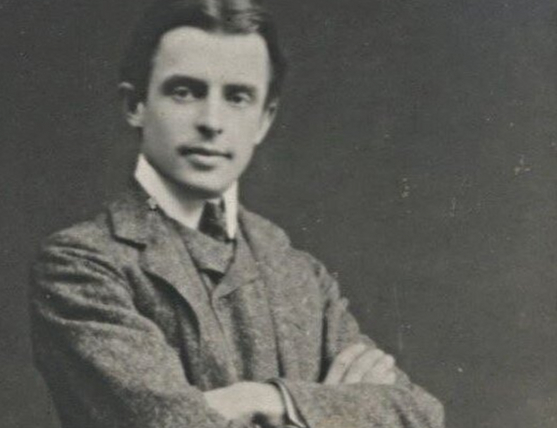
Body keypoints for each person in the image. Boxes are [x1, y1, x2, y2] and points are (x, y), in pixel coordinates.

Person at [29, 0, 444, 427]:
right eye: (185, 91)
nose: (212, 121)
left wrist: (261, 399)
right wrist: (331, 409)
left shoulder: (299, 273)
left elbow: (420, 415)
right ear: (135, 104)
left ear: (264, 119)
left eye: (237, 97)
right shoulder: (82, 264)